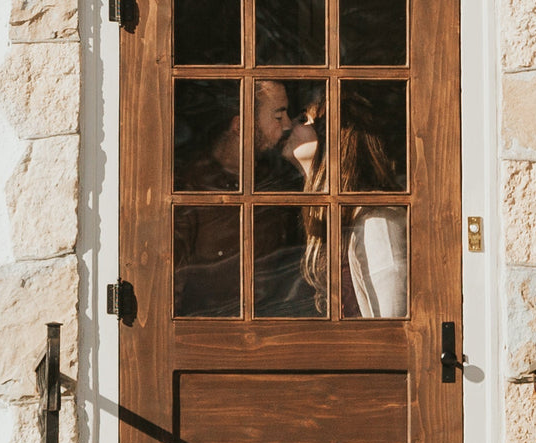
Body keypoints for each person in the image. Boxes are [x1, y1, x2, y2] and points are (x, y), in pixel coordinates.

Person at [173, 80, 303, 316]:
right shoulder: (191, 187)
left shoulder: (276, 179)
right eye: (278, 116)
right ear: (240, 126)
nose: (287, 125)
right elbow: (172, 283)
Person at [286, 88, 409, 318]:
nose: (289, 124)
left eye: (304, 119)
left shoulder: (377, 220)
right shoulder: (323, 215)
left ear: (333, 137)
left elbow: (391, 320)